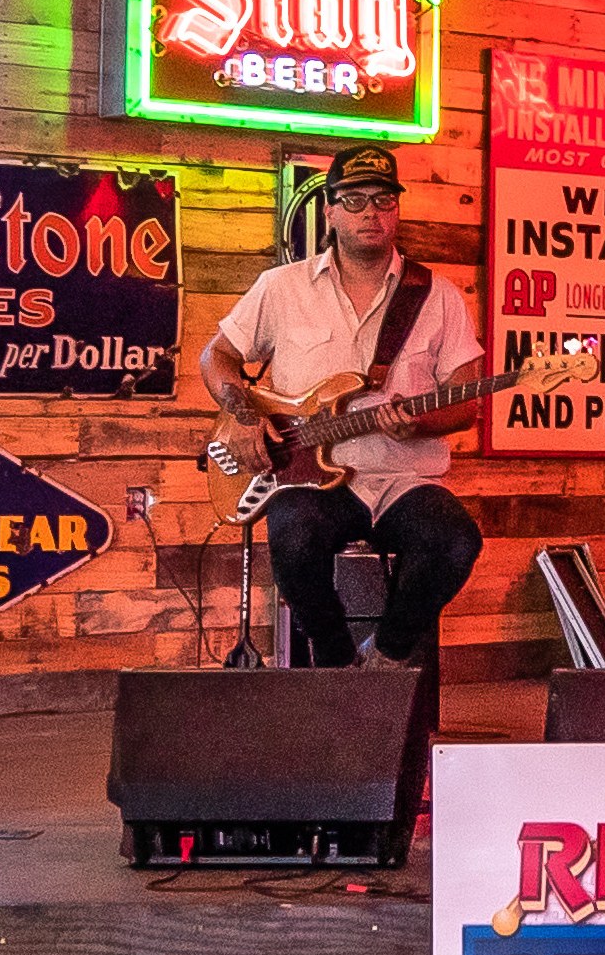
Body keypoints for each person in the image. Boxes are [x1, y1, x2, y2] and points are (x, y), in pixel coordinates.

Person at [200, 145, 485, 669]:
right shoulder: (281, 287)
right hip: (308, 477)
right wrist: (243, 418)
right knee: (293, 536)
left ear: (397, 209)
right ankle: (333, 662)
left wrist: (418, 421)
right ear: (329, 210)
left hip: (404, 478)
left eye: (382, 199)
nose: (369, 212)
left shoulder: (437, 295)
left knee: (454, 539)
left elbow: (466, 405)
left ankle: (385, 659)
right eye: (353, 201)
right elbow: (217, 355)